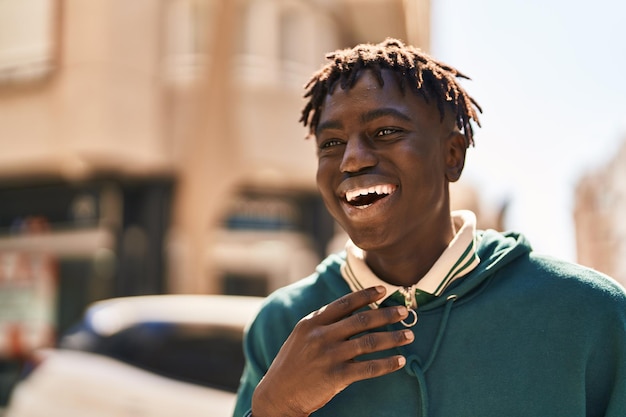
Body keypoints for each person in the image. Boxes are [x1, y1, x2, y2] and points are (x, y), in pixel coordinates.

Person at [233, 38, 626, 417]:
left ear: (452, 155)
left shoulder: (589, 314)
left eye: (385, 132)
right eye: (331, 144)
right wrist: (275, 411)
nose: (351, 160)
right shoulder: (283, 324)